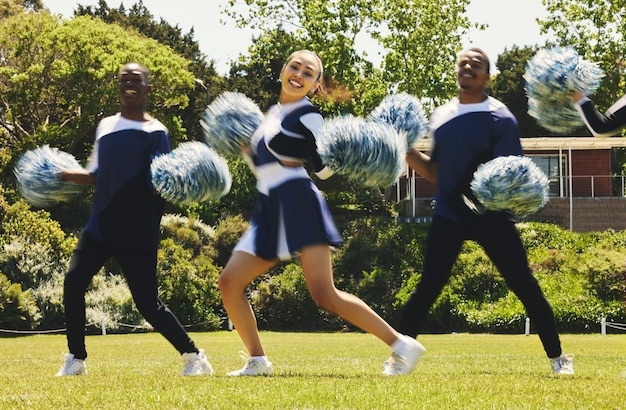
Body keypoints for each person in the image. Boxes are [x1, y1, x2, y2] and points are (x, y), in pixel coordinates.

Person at [217, 50, 424, 377]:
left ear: (314, 85)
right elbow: (265, 161)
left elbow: (326, 169)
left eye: (308, 73)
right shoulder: (271, 113)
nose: (299, 74)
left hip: (298, 200)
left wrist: (301, 154)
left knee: (324, 294)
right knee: (229, 282)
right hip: (270, 204)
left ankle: (402, 345)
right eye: (294, 67)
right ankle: (257, 361)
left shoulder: (309, 115)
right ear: (283, 70)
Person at [398, 48, 574, 375]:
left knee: (523, 284)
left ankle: (558, 358)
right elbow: (436, 171)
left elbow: (508, 174)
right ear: (457, 72)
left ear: (487, 76)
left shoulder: (501, 117)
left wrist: (481, 200)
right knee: (429, 285)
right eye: (463, 63)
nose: (468, 67)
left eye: (476, 64)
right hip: (449, 214)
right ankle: (398, 357)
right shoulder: (441, 116)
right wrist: (404, 150)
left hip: (490, 215)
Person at [55, 62, 213, 377]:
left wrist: (184, 181)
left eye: (136, 80)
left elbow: (163, 180)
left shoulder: (157, 132)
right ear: (118, 86)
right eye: (124, 79)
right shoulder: (105, 126)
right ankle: (76, 359)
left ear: (147, 89)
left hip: (138, 228)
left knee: (147, 304)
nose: (129, 84)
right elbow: (95, 174)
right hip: (101, 225)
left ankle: (194, 356)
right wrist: (60, 173)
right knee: (73, 284)